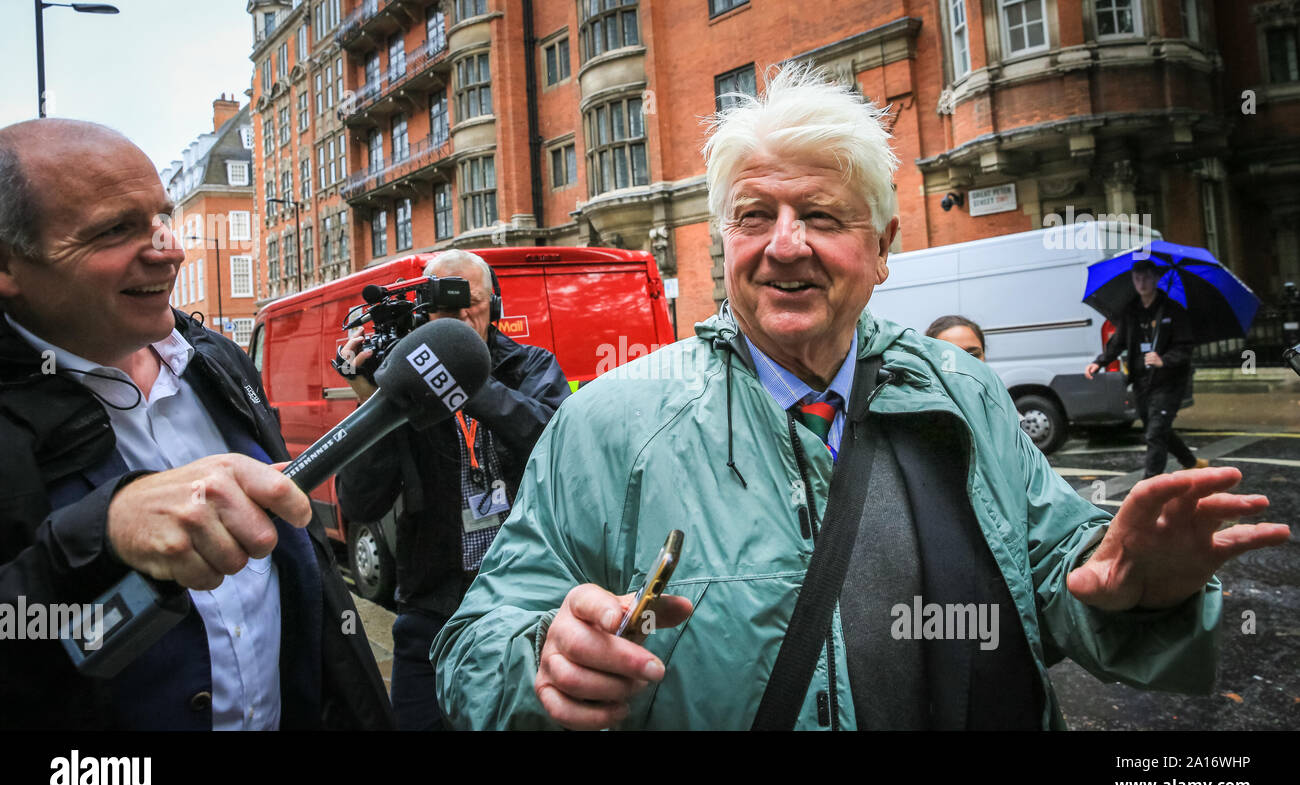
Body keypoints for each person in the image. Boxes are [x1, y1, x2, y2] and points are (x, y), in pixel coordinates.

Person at [431, 66, 1290, 730]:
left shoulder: (963, 391)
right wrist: (539, 663)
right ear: (719, 241)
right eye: (754, 214)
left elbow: (1061, 580)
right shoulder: (606, 424)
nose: (785, 245)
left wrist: (1134, 589)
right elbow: (470, 648)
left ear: (882, 248)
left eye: (824, 216)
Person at [0, 119, 393, 730]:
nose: (170, 249)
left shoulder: (216, 360)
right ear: (9, 265)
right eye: (115, 230)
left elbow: (308, 587)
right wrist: (100, 535)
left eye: (159, 218)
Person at [335, 249, 569, 730]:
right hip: (431, 607)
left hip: (523, 601)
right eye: (446, 308)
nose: (461, 317)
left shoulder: (532, 366)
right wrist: (375, 404)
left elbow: (552, 439)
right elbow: (360, 501)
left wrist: (460, 381)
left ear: (495, 306)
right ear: (425, 314)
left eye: (473, 304)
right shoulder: (405, 384)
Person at [1085, 260, 1208, 478]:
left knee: (1155, 433)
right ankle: (1191, 462)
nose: (1141, 283)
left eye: (1146, 278)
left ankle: (1149, 486)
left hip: (1169, 383)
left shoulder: (1172, 310)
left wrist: (1164, 360)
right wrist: (1100, 361)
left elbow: (1185, 347)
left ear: (1156, 279)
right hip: (1142, 381)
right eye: (1137, 278)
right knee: (1157, 428)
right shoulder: (1131, 311)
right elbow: (1118, 341)